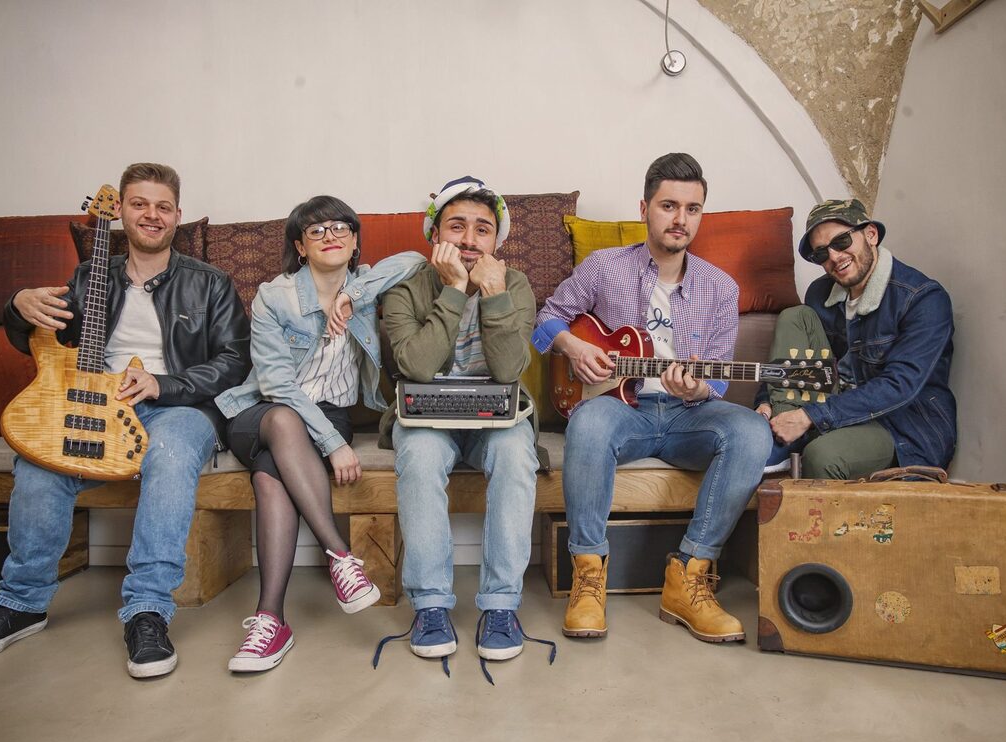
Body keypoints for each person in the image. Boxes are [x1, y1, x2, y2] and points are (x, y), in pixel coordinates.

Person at [0, 163, 251, 678]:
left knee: (171, 454)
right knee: (38, 464)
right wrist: (17, 306)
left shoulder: (211, 283)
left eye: (163, 207)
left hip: (178, 407)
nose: (152, 215)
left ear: (177, 215)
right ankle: (21, 602)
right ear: (121, 211)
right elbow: (47, 338)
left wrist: (163, 383)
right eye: (140, 204)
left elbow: (234, 361)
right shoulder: (90, 277)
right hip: (93, 405)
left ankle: (148, 609)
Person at [533, 153, 771, 644]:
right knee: (588, 422)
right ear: (644, 208)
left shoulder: (721, 288)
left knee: (752, 430)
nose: (681, 219)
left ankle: (689, 576)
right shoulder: (604, 267)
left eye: (692, 209)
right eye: (669, 205)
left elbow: (717, 381)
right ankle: (588, 576)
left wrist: (699, 388)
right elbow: (547, 318)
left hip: (688, 416)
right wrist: (575, 348)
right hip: (622, 409)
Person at [215, 195, 416, 673]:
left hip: (327, 414)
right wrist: (334, 443)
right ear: (300, 247)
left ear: (354, 241)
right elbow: (277, 388)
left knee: (270, 477)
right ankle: (341, 556)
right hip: (259, 413)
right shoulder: (275, 296)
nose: (330, 236)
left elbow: (415, 260)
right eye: (316, 230)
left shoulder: (363, 285)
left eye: (340, 227)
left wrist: (353, 297)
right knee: (284, 420)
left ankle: (271, 622)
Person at [371, 176, 554, 682]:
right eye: (457, 227)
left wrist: (493, 295)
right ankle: (430, 606)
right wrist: (454, 290)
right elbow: (417, 367)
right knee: (421, 454)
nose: (470, 240)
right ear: (436, 235)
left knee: (516, 453)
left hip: (495, 418)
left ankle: (501, 606)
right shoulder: (407, 288)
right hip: (427, 417)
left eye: (483, 229)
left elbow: (509, 370)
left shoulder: (514, 284)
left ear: (497, 240)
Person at [754, 198, 956, 477]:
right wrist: (766, 402)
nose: (834, 257)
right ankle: (784, 433)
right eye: (821, 253)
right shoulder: (821, 293)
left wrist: (810, 416)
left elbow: (899, 385)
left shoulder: (922, 299)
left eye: (841, 241)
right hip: (835, 406)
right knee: (796, 316)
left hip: (899, 427)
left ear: (871, 235)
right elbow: (794, 365)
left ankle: (799, 435)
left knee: (823, 455)